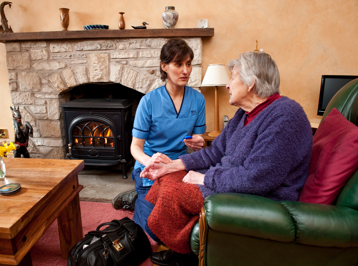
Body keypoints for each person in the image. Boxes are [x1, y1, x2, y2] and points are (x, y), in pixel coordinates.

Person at [141, 51, 313, 266]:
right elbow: (214, 152)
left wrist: (205, 179)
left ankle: (182, 255)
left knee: (174, 191)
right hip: (230, 180)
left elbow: (258, 178)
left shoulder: (285, 115)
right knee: (168, 178)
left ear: (251, 83)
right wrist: (171, 166)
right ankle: (180, 247)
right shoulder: (244, 113)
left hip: (264, 195)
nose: (228, 85)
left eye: (232, 77)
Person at [111, 38, 207, 241]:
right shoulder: (148, 102)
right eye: (178, 64)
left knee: (184, 221)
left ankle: (137, 197)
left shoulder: (198, 99)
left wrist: (200, 142)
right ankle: (136, 199)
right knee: (153, 231)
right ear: (164, 66)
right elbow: (135, 147)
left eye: (188, 64)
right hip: (150, 166)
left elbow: (200, 139)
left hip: (178, 166)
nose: (185, 71)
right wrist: (150, 162)